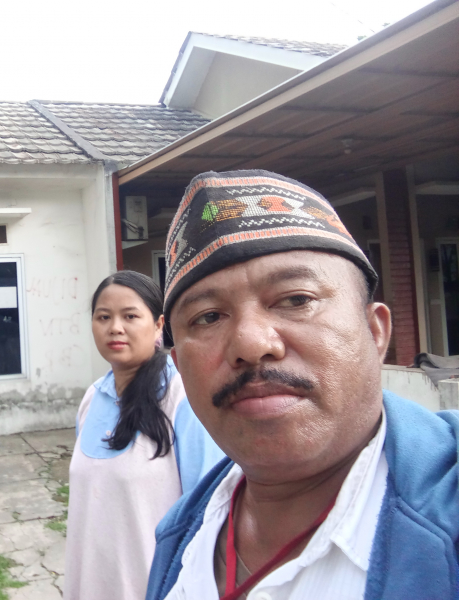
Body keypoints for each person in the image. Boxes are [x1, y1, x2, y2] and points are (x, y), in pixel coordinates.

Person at [146, 170, 459, 600]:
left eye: (296, 299)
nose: (251, 344)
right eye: (209, 317)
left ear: (375, 332)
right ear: (179, 366)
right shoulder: (179, 538)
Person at [65, 271, 224, 600]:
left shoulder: (183, 399)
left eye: (130, 316)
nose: (115, 328)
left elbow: (210, 515)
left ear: (158, 324)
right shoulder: (91, 399)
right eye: (103, 317)